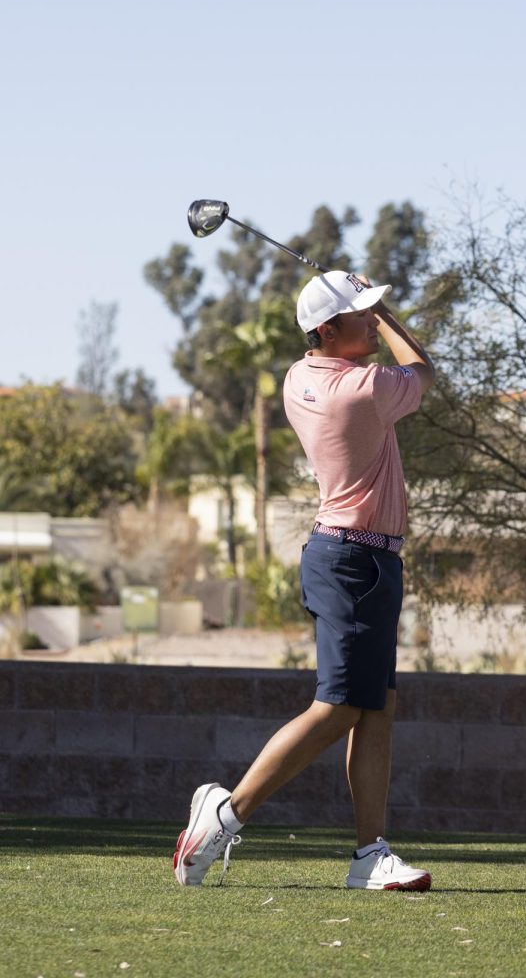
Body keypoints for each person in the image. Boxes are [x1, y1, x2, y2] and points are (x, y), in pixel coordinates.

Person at [173, 269, 436, 891]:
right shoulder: (364, 388)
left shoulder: (301, 377)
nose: (373, 319)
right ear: (326, 327)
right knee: (342, 704)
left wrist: (363, 303)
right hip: (356, 560)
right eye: (363, 313)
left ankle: (370, 856)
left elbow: (362, 356)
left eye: (375, 312)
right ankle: (226, 814)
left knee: (375, 707)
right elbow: (423, 372)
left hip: (352, 557)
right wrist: (397, 323)